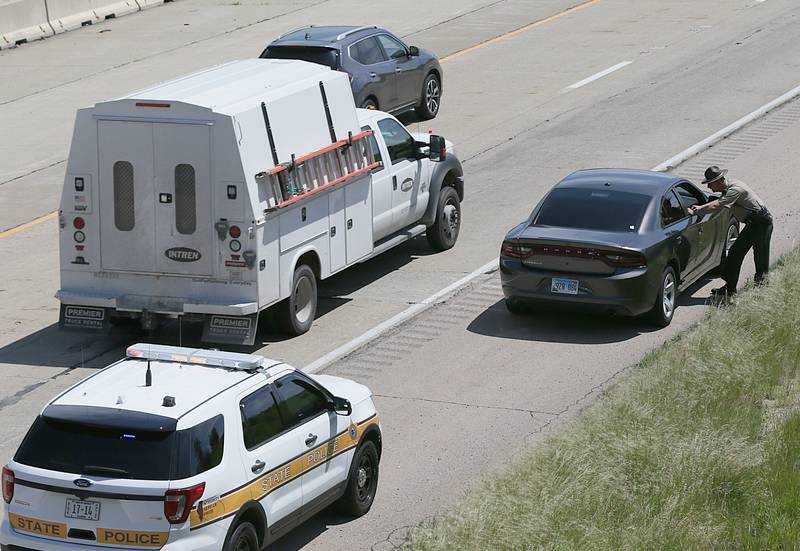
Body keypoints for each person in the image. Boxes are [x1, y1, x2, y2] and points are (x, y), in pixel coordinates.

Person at [687, 166, 772, 296]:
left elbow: (717, 205)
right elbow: (719, 201)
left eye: (710, 184)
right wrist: (701, 206)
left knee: (760, 257)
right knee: (734, 254)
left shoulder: (735, 189)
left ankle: (761, 290)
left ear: (718, 181)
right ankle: (729, 288)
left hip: (761, 223)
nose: (709, 187)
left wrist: (696, 211)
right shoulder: (728, 188)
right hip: (753, 224)